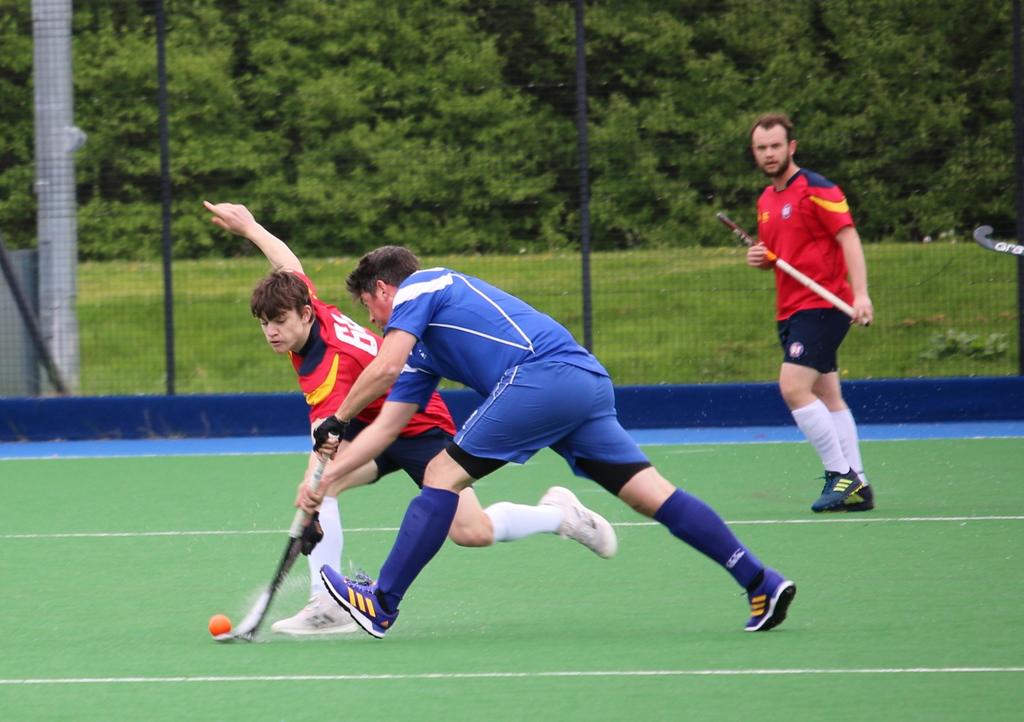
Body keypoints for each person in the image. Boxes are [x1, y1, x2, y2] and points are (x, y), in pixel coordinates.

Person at [302, 246, 796, 639]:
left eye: (368, 306)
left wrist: (339, 419)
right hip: (583, 384)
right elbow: (388, 427)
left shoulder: (423, 284)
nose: (369, 320)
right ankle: (760, 581)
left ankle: (382, 603)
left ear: (384, 289)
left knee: (439, 475)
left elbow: (383, 367)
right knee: (651, 494)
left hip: (540, 376)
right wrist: (326, 483)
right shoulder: (422, 352)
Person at [203, 201, 618, 636]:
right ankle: (327, 604)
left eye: (279, 322)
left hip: (418, 423)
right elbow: (287, 263)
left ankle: (560, 516)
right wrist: (250, 227)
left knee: (469, 530)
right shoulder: (309, 309)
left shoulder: (330, 368)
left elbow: (325, 440)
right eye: (265, 323)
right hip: (368, 420)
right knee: (323, 488)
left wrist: (312, 499)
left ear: (305, 313)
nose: (272, 332)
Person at [745, 113, 875, 513]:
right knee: (828, 395)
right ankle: (860, 485)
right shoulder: (766, 200)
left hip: (824, 305)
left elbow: (847, 236)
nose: (769, 154)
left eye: (775, 146)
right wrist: (763, 259)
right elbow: (781, 255)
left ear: (792, 147)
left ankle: (842, 477)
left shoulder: (818, 189)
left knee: (793, 387)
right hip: (790, 308)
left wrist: (862, 295)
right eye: (761, 148)